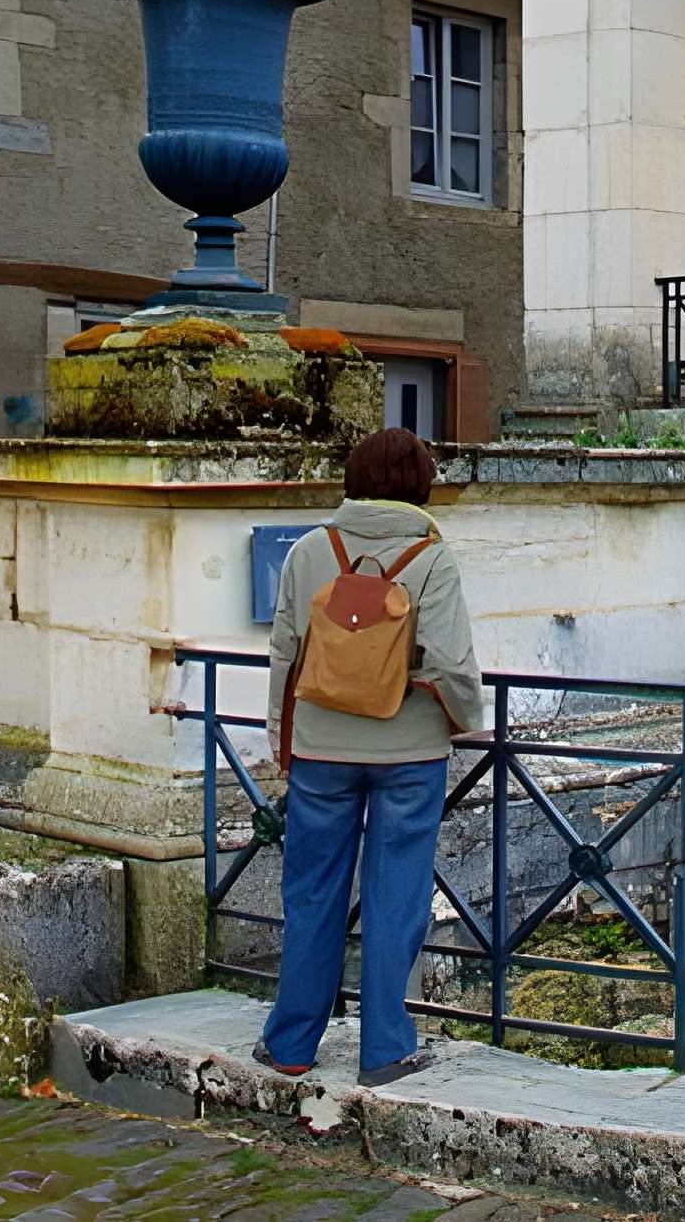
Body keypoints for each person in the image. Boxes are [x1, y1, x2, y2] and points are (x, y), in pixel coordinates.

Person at [254, 425, 482, 1084]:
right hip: (408, 752)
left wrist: (282, 739)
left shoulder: (308, 550)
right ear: (419, 488)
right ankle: (385, 1049)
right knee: (396, 899)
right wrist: (467, 721)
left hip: (321, 748)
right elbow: (450, 660)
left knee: (312, 894)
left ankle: (291, 1042)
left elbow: (285, 654)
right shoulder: (432, 559)